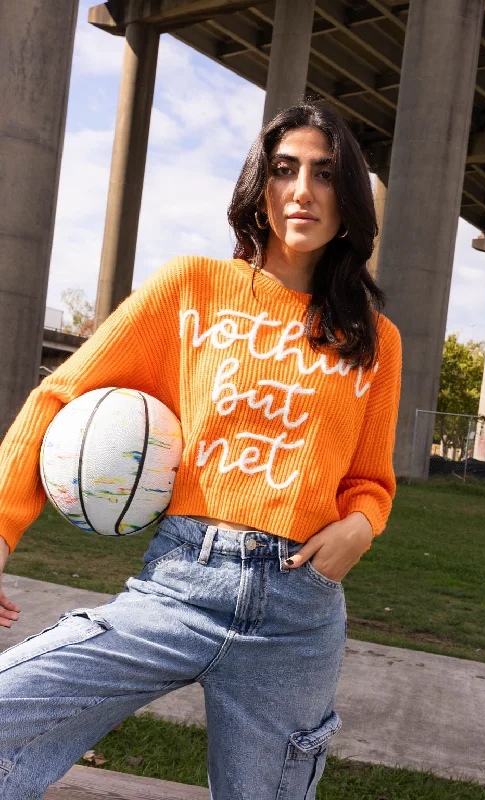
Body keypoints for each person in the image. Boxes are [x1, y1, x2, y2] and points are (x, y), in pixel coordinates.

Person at [0, 100, 402, 800]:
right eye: (284, 170)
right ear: (260, 186)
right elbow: (58, 397)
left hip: (299, 612)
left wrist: (361, 527)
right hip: (182, 582)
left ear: (351, 198)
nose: (302, 190)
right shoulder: (191, 289)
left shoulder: (373, 338)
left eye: (325, 173)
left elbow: (370, 479)